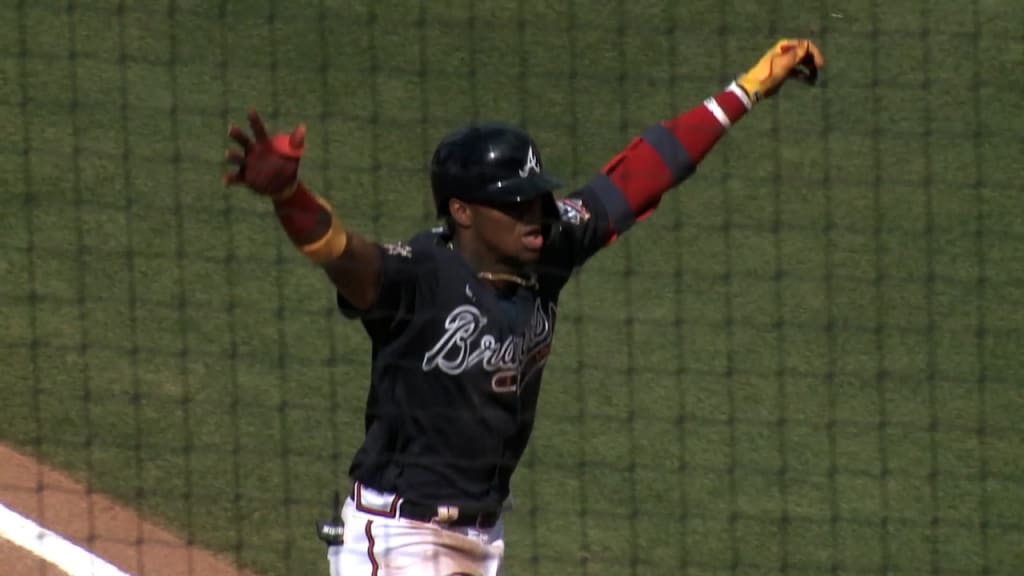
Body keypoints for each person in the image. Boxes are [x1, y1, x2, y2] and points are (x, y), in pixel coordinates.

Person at [223, 38, 824, 576]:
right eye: (514, 205)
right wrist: (287, 195)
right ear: (462, 211)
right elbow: (341, 253)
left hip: (482, 539)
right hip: (401, 536)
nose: (535, 215)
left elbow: (644, 173)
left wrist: (746, 89)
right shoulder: (417, 278)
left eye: (537, 199)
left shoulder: (548, 249)